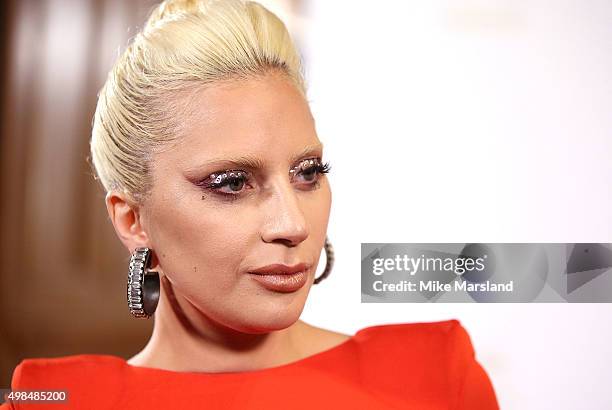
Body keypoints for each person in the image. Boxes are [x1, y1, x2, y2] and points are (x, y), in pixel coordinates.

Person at [1, 0, 499, 408]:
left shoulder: (432, 378)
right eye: (232, 182)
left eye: (308, 173)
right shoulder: (57, 401)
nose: (292, 223)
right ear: (133, 220)